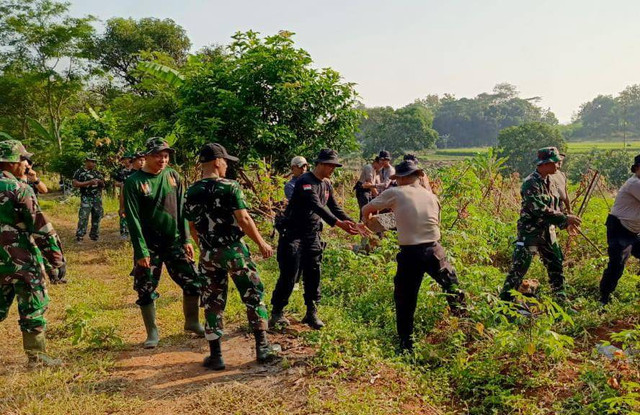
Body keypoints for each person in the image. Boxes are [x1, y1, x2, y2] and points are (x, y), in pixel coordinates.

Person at [185, 143, 279, 370]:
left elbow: (191, 226)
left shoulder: (192, 190)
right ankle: (263, 348)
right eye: (225, 161)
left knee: (212, 301)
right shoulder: (230, 187)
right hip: (234, 251)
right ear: (217, 162)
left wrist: (206, 248)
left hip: (208, 254)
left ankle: (216, 356)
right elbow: (244, 219)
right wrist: (262, 243)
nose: (227, 165)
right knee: (253, 293)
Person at [362, 160, 465, 352]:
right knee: (453, 287)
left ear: (401, 178)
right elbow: (433, 222)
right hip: (435, 250)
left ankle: (406, 343)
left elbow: (366, 209)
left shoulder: (395, 192)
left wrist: (368, 224)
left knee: (405, 299)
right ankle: (465, 328)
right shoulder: (431, 196)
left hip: (410, 253)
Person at [270, 149, 366, 329]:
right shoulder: (305, 182)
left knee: (314, 272)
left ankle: (311, 312)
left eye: (335, 166)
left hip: (312, 234)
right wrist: (338, 224)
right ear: (320, 164)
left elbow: (335, 208)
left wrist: (354, 223)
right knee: (290, 273)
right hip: (293, 234)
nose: (332, 169)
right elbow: (317, 205)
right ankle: (277, 312)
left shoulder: (327, 184)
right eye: (330, 165)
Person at [123, 137, 204, 349]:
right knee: (146, 287)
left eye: (166, 155)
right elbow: (132, 219)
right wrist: (140, 250)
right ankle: (152, 331)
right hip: (149, 246)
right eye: (158, 155)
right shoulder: (133, 183)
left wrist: (186, 238)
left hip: (174, 241)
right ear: (146, 157)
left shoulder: (173, 176)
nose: (163, 159)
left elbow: (182, 211)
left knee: (192, 280)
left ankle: (192, 322)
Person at [0, 140, 66, 366]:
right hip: (20, 261)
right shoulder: (19, 189)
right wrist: (55, 260)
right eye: (22, 160)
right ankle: (36, 357)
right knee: (33, 303)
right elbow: (40, 227)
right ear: (10, 162)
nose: (26, 165)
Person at [499, 147, 582, 302]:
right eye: (555, 162)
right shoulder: (530, 183)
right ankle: (504, 304)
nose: (558, 165)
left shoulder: (550, 181)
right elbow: (539, 209)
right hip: (530, 233)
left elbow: (556, 205)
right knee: (519, 269)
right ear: (544, 164)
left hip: (548, 232)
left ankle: (561, 300)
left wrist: (565, 223)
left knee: (556, 265)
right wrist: (565, 218)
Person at [599, 154, 640, 306]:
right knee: (617, 264)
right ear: (636, 169)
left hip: (634, 231)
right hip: (620, 229)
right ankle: (603, 299)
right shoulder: (634, 183)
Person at [72, 155, 105, 242]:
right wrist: (89, 182)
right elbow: (75, 184)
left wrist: (100, 182)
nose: (94, 164)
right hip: (86, 197)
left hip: (97, 198)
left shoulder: (97, 173)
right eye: (92, 161)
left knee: (97, 216)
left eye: (95, 162)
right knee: (83, 216)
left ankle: (94, 235)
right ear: (87, 161)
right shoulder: (80, 172)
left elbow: (103, 185)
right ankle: (80, 236)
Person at [113, 153, 134, 239]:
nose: (125, 161)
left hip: (134, 195)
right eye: (124, 159)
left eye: (126, 159)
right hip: (124, 195)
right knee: (123, 212)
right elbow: (115, 183)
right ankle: (124, 232)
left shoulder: (136, 170)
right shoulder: (121, 171)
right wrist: (122, 184)